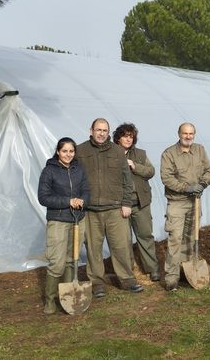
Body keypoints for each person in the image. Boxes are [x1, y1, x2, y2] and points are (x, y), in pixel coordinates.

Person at [77, 118, 143, 297]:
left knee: (121, 246)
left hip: (115, 209)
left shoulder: (117, 151)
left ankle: (127, 279)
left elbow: (126, 180)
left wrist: (127, 203)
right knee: (93, 248)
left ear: (108, 132)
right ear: (91, 130)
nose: (101, 133)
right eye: (98, 130)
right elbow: (74, 178)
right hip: (90, 210)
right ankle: (97, 282)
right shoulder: (80, 151)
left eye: (105, 130)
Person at [37, 137, 90, 315]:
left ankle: (66, 297)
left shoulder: (79, 169)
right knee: (57, 262)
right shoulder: (49, 171)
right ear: (58, 152)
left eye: (71, 151)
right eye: (65, 151)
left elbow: (86, 190)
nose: (68, 154)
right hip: (58, 221)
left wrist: (82, 200)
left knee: (72, 259)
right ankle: (50, 300)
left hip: (77, 219)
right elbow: (43, 197)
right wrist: (68, 201)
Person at [159, 122, 210, 291]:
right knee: (175, 239)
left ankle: (187, 271)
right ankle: (172, 278)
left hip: (194, 202)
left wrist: (203, 184)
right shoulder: (169, 154)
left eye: (191, 134)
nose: (188, 136)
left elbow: (209, 170)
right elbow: (167, 178)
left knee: (190, 238)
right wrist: (187, 188)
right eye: (185, 133)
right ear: (179, 134)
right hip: (177, 202)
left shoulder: (199, 150)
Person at [113, 123, 160, 283]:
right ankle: (129, 271)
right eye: (125, 136)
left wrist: (135, 166)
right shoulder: (111, 154)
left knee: (145, 236)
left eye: (131, 136)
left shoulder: (140, 154)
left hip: (141, 202)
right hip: (120, 204)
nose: (128, 139)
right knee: (123, 240)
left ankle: (152, 269)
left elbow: (151, 171)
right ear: (118, 138)